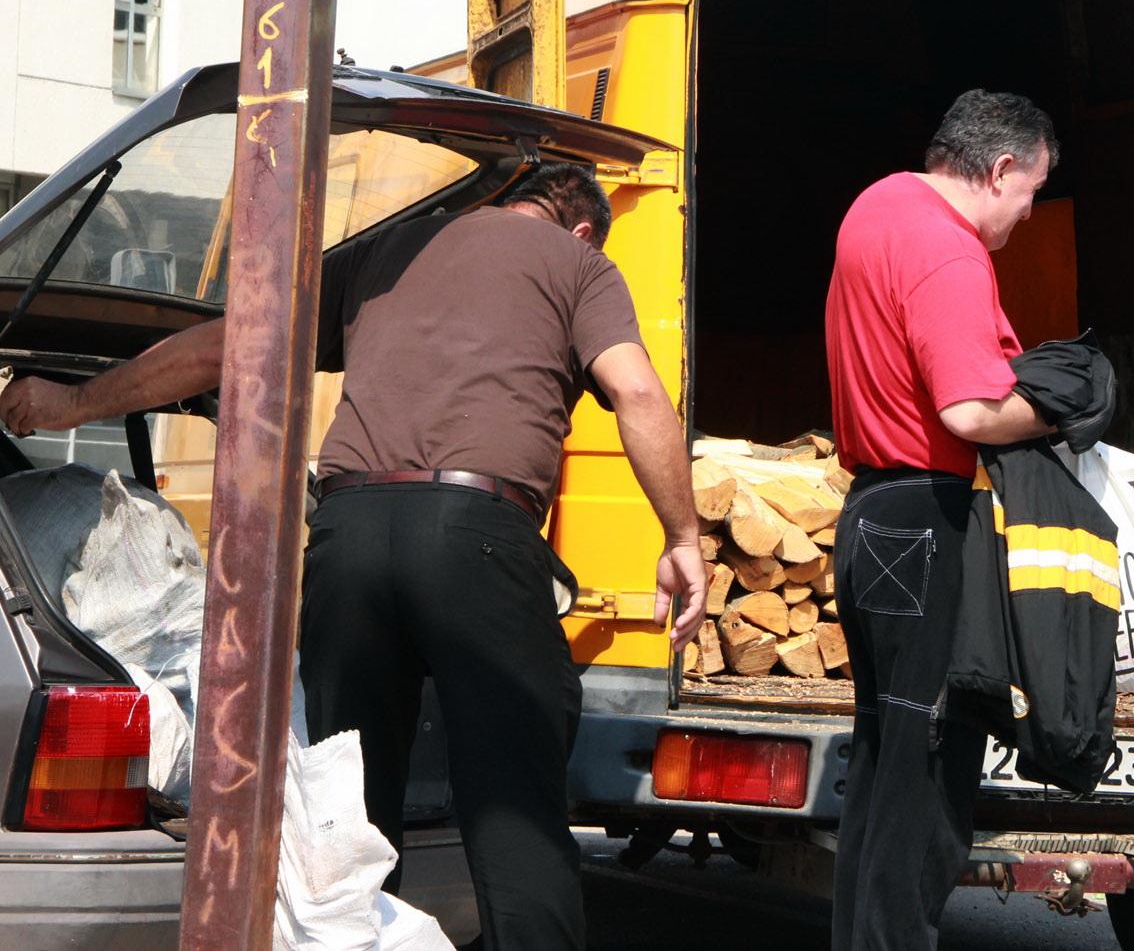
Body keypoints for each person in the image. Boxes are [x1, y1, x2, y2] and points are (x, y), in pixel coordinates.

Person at [0, 163, 705, 950]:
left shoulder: (386, 250)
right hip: (481, 532)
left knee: (353, 823)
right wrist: (681, 537)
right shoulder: (581, 265)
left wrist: (73, 401)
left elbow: (225, 348)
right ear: (581, 227)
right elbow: (638, 393)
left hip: (350, 533)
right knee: (517, 816)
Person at [823, 89, 1058, 951]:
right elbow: (969, 409)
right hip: (926, 518)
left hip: (872, 514)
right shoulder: (950, 250)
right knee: (927, 781)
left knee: (885, 767)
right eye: (1029, 191)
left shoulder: (878, 205)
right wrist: (1061, 413)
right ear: (999, 169)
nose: (1027, 214)